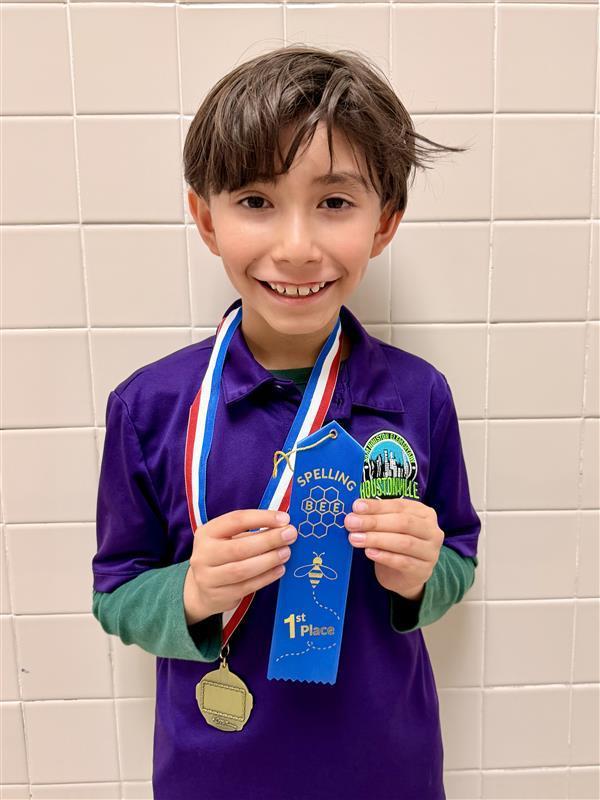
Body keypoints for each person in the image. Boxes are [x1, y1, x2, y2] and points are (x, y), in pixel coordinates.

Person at [92, 44, 480, 800]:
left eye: (334, 202)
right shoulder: (150, 408)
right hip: (215, 771)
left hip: (386, 769)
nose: (296, 247)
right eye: (255, 201)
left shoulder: (418, 395)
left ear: (385, 221)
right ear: (206, 218)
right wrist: (193, 593)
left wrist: (423, 578)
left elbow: (459, 554)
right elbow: (117, 594)